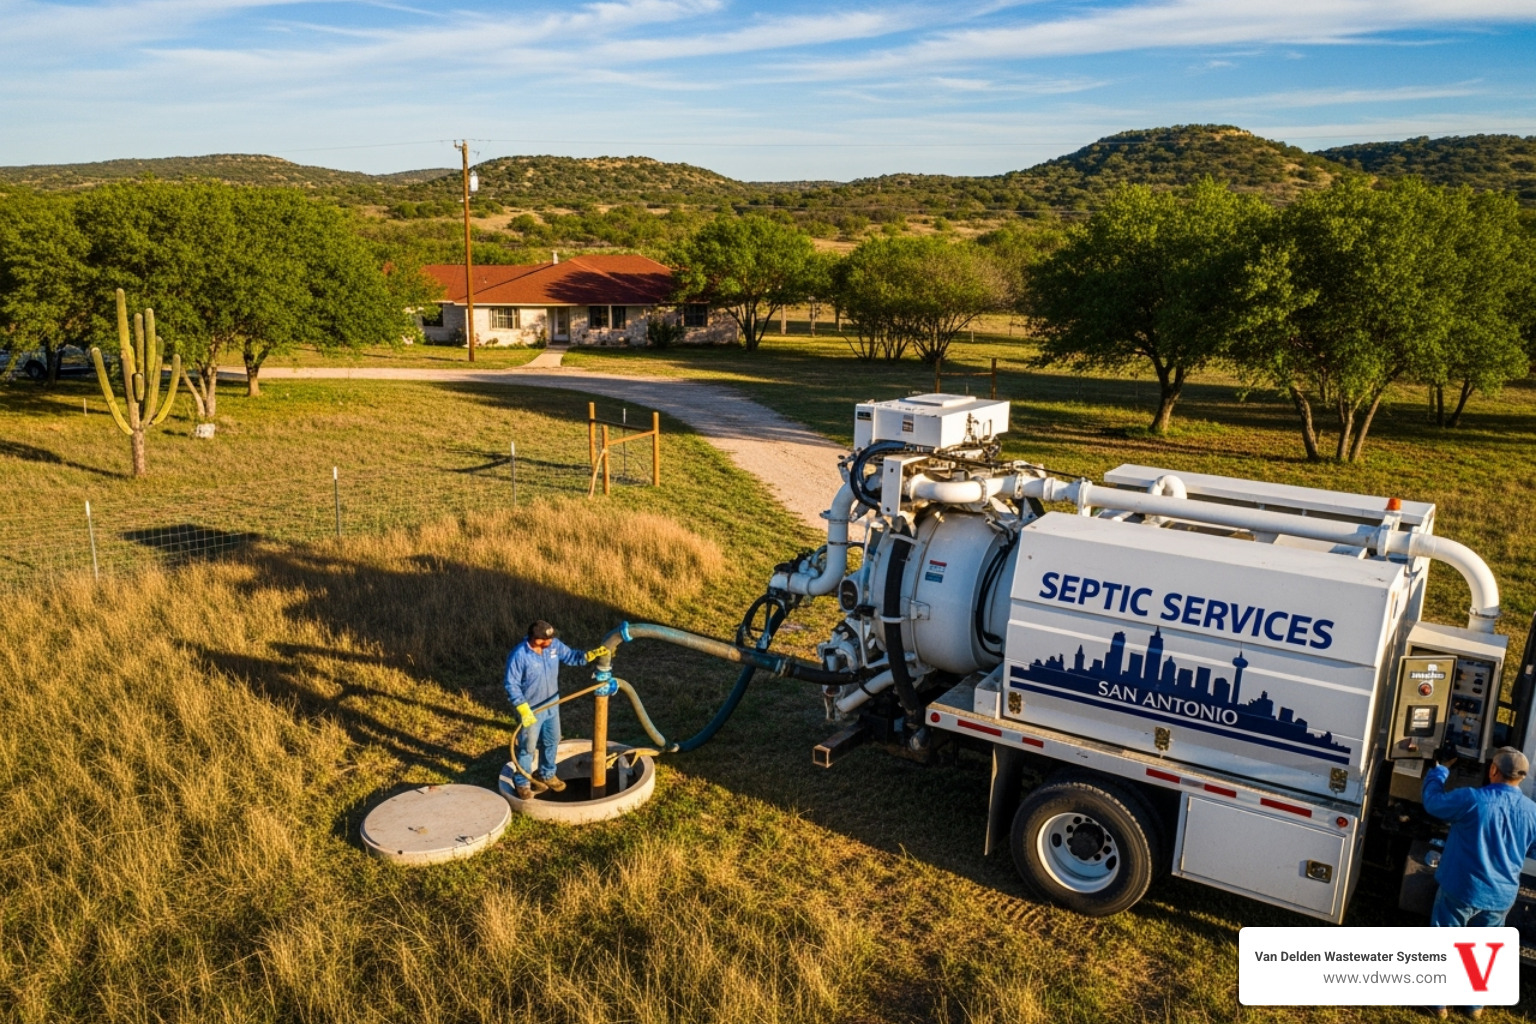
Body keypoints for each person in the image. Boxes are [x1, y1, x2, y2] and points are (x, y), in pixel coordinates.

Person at [1421, 745, 1536, 1020]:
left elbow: (1433, 803)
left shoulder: (1472, 799)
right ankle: (1474, 1006)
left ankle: (1438, 1004)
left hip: (1461, 887)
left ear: (1493, 770)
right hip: (1500, 896)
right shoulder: (1532, 812)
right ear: (1522, 777)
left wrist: (1440, 770)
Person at [504, 620, 608, 801]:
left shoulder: (554, 646)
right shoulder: (519, 655)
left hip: (552, 705)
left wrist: (588, 656)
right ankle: (522, 782)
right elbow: (511, 684)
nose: (551, 641)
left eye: (552, 638)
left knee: (552, 740)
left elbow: (571, 657)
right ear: (536, 639)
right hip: (531, 710)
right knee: (527, 747)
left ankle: (546, 774)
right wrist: (523, 708)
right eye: (547, 639)